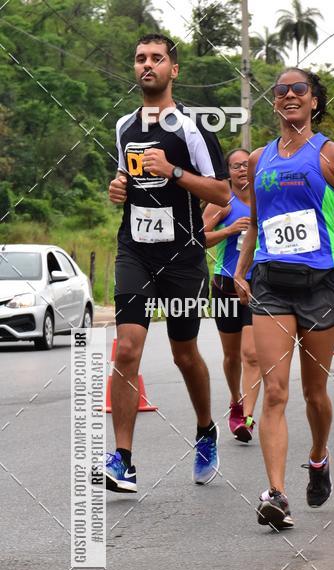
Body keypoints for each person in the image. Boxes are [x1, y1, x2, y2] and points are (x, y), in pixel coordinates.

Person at [234, 67, 334, 530]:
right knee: (274, 390)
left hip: (321, 283)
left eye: (300, 90)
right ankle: (276, 494)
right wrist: (241, 268)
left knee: (314, 393)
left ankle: (318, 456)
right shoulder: (259, 158)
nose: (290, 95)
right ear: (274, 101)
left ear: (315, 101)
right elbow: (256, 223)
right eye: (282, 90)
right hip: (270, 282)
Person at [104, 33, 229, 493]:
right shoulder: (124, 126)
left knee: (183, 353)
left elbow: (222, 193)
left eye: (157, 58)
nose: (147, 65)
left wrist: (174, 172)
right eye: (140, 58)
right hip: (135, 250)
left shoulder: (191, 128)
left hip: (182, 257)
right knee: (127, 349)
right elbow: (125, 177)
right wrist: (118, 187)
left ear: (173, 70)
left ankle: (205, 430)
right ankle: (123, 460)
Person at [203, 148, 260, 442]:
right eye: (236, 166)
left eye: (246, 165)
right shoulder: (222, 203)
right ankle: (236, 400)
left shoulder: (264, 200)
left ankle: (247, 417)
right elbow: (197, 238)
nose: (242, 170)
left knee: (251, 354)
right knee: (231, 356)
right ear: (228, 173)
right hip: (225, 286)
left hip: (257, 285)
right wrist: (229, 231)